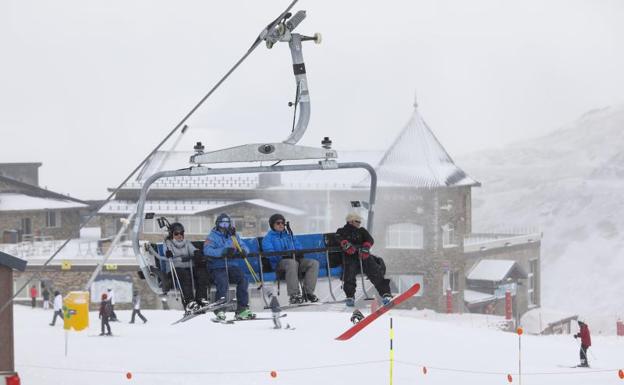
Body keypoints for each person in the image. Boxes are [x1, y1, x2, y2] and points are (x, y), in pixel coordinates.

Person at [203, 213, 255, 320]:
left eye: (227, 223)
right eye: (222, 223)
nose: (224, 226)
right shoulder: (212, 236)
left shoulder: (233, 236)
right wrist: (223, 252)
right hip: (217, 266)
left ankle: (242, 308)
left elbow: (243, 245)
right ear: (218, 224)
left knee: (243, 279)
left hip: (231, 265)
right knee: (223, 281)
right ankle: (220, 309)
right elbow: (207, 250)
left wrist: (244, 251)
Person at [336, 212, 392, 307]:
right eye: (358, 221)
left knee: (374, 271)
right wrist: (345, 244)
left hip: (363, 256)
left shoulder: (362, 231)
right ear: (351, 221)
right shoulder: (341, 231)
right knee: (349, 272)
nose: (359, 223)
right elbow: (338, 238)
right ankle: (350, 296)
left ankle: (385, 293)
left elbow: (369, 239)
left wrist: (366, 248)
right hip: (349, 257)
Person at [262, 213, 319, 304]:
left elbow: (298, 247)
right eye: (278, 223)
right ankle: (294, 294)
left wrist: (298, 253)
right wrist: (283, 255)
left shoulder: (289, 236)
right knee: (291, 263)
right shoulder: (268, 238)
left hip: (295, 260)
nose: (281, 225)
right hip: (279, 263)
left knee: (313, 263)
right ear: (272, 225)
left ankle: (308, 292)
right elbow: (270, 253)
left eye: (282, 223)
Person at [163, 222, 208, 313]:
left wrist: (197, 253)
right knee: (185, 276)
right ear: (172, 234)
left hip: (189, 267)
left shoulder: (187, 243)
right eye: (176, 233)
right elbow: (167, 252)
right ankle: (189, 302)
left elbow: (193, 250)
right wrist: (169, 254)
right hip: (176, 268)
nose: (179, 235)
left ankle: (201, 299)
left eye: (181, 233)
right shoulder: (168, 243)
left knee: (201, 273)